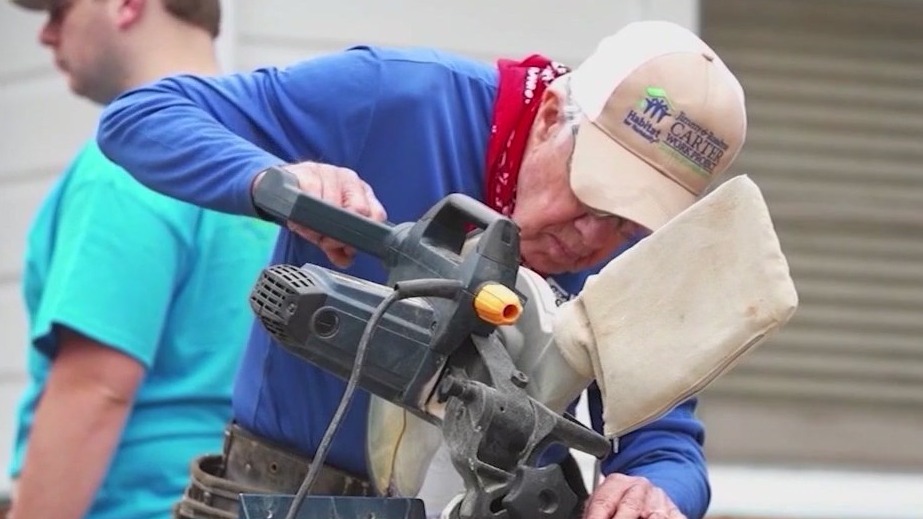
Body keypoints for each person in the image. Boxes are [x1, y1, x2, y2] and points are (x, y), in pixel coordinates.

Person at [97, 19, 748, 519]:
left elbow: (663, 440)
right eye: (590, 197)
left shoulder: (628, 259)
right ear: (553, 115)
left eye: (628, 223)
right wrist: (277, 180)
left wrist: (653, 490)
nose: (593, 238)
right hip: (280, 494)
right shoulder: (397, 97)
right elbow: (141, 117)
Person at [6, 0, 277, 518]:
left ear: (124, 6)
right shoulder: (278, 166)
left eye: (58, 11)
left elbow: (96, 388)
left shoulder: (128, 166)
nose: (45, 35)